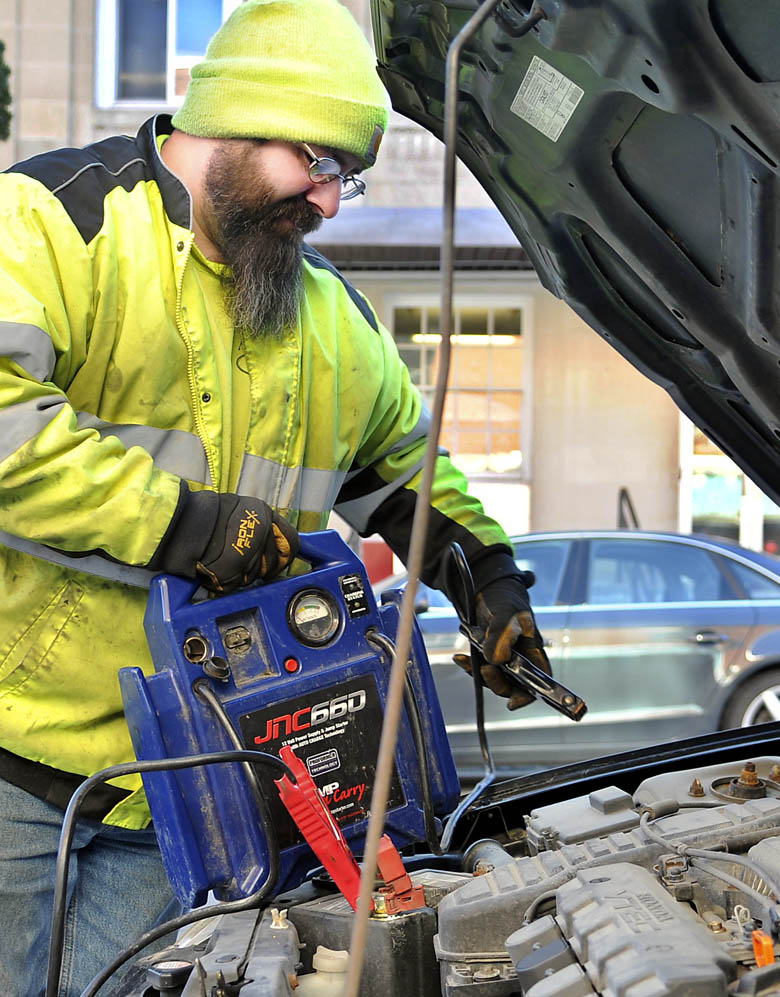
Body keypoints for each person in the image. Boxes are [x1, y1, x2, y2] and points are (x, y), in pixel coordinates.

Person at [0, 0, 549, 993]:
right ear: (234, 120)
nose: (332, 203)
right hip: (11, 765)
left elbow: (401, 466)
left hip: (187, 798)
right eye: (317, 163)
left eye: (348, 175)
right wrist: (184, 524)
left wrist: (485, 577)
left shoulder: (331, 317)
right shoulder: (54, 224)